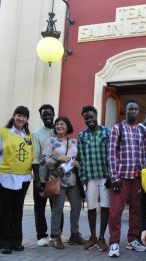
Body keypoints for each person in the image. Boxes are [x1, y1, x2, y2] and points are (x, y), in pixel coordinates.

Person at [107, 100, 146, 258]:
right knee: (115, 212)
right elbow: (111, 154)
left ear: (138, 111)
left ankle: (132, 240)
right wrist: (114, 177)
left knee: (136, 211)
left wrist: (145, 177)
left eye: (136, 109)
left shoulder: (143, 130)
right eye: (130, 108)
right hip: (121, 178)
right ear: (126, 110)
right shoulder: (117, 128)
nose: (133, 111)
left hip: (137, 178)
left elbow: (145, 155)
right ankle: (114, 243)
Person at [42, 116, 86, 250]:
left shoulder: (73, 141)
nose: (59, 126)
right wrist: (58, 158)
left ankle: (74, 234)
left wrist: (77, 163)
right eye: (57, 124)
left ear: (68, 126)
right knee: (58, 209)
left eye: (62, 124)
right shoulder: (51, 141)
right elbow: (43, 160)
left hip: (73, 179)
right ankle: (56, 236)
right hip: (57, 179)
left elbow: (76, 158)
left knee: (77, 207)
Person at [0, 106, 33, 254]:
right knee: (5, 210)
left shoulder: (29, 136)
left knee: (18, 211)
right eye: (19, 115)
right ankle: (5, 243)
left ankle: (16, 241)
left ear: (27, 119)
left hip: (24, 178)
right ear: (14, 116)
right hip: (6, 176)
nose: (21, 118)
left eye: (24, 116)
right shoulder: (4, 133)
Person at [78, 106, 110, 251]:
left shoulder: (107, 132)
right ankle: (92, 237)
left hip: (105, 176)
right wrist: (82, 176)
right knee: (91, 207)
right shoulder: (82, 135)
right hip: (90, 177)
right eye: (86, 118)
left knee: (105, 207)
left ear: (96, 116)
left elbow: (112, 153)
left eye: (91, 117)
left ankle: (102, 237)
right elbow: (81, 157)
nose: (89, 120)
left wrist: (112, 174)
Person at [32, 104, 64, 247]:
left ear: (53, 114)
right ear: (41, 116)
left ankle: (56, 234)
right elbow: (35, 158)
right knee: (40, 207)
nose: (47, 117)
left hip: (56, 177)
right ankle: (41, 235)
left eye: (49, 114)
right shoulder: (36, 133)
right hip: (42, 177)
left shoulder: (59, 130)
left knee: (57, 208)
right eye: (44, 115)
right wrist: (37, 179)